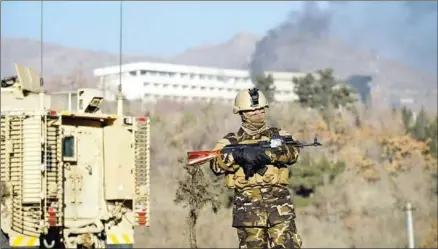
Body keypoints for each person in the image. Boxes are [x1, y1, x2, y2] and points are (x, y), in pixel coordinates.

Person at [209, 88, 303, 249]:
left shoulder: (278, 135)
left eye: (261, 110)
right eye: (252, 112)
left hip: (280, 209)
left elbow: (293, 152)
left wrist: (268, 154)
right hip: (248, 212)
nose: (258, 114)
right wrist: (238, 156)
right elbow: (215, 165)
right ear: (242, 114)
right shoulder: (230, 141)